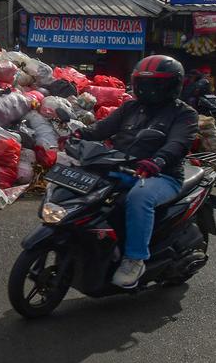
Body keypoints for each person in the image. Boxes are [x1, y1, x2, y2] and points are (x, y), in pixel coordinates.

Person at [78, 55, 199, 288]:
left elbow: (178, 143)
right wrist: (79, 134)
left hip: (161, 175)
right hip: (122, 167)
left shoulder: (184, 113)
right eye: (143, 84)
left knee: (139, 198)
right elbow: (102, 128)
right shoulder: (130, 107)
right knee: (87, 185)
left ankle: (134, 259)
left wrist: (159, 160)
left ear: (172, 85)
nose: (147, 90)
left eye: (155, 85)